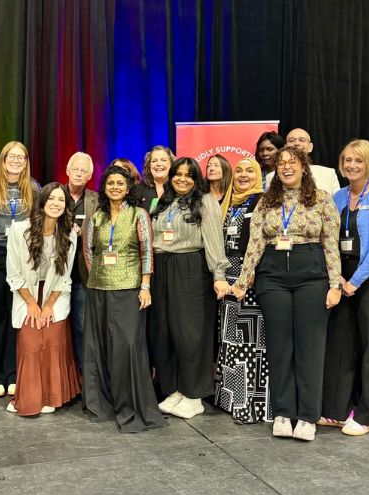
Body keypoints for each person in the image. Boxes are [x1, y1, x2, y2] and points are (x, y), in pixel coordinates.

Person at [232, 146, 341, 441]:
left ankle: (307, 416)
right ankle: (282, 412)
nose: (287, 167)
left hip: (312, 276)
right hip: (273, 276)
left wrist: (335, 284)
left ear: (304, 167)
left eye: (293, 162)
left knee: (310, 347)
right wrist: (243, 281)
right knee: (279, 347)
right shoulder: (267, 201)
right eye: (281, 163)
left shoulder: (322, 199)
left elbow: (331, 243)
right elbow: (255, 243)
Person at [320, 139, 369, 436]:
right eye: (348, 160)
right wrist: (338, 277)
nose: (352, 165)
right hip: (344, 276)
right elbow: (329, 239)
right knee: (340, 343)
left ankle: (368, 415)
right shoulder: (338, 196)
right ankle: (336, 410)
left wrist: (355, 281)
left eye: (359, 160)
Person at [82, 166, 166, 432]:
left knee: (127, 346)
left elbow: (147, 252)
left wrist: (145, 285)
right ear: (104, 187)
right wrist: (98, 275)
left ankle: (131, 405)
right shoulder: (97, 216)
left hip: (129, 289)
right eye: (111, 183)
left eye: (120, 183)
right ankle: (102, 404)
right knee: (99, 347)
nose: (115, 187)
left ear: (128, 188)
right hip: (98, 289)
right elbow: (89, 251)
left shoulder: (139, 214)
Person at [149, 157, 230, 419]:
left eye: (188, 175)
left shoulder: (205, 201)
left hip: (191, 268)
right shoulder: (164, 202)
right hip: (162, 268)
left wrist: (219, 274)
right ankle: (175, 389)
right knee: (165, 332)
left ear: (196, 179)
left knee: (190, 334)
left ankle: (194, 395)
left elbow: (214, 239)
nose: (182, 179)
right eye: (178, 174)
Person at [6, 183, 80, 416]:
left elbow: (64, 276)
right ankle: (28, 397)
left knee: (52, 336)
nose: (56, 203)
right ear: (42, 201)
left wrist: (48, 305)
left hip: (55, 295)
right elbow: (14, 273)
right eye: (52, 199)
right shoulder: (19, 230)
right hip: (26, 293)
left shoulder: (69, 234)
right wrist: (31, 303)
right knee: (30, 341)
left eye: (61, 200)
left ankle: (51, 396)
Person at [0, 141, 40, 398]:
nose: (16, 161)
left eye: (21, 157)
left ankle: (14, 373)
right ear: (3, 160)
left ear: (26, 162)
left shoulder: (34, 188)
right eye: (11, 156)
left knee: (18, 315)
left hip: (22, 259)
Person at [214, 158, 271, 423]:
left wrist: (248, 277)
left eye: (250, 171)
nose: (243, 175)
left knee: (250, 344)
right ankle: (229, 400)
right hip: (226, 278)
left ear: (258, 175)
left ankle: (248, 405)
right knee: (229, 342)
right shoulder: (228, 203)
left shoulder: (262, 201)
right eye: (239, 170)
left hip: (250, 279)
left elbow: (262, 242)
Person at [64, 152, 98, 371]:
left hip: (83, 273)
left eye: (83, 171)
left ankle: (84, 375)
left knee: (81, 325)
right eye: (75, 169)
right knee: (57, 327)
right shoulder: (54, 194)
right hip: (56, 271)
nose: (78, 173)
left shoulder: (97, 200)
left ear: (90, 176)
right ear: (67, 171)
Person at [265, 128, 340, 196]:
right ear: (285, 147)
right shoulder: (271, 177)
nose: (297, 143)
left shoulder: (328, 174)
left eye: (302, 140)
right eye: (291, 140)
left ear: (310, 147)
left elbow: (337, 204)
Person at [137, 145, 175, 213]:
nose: (158, 164)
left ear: (171, 164)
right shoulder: (138, 191)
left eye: (163, 160)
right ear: (149, 166)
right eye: (154, 161)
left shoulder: (178, 190)